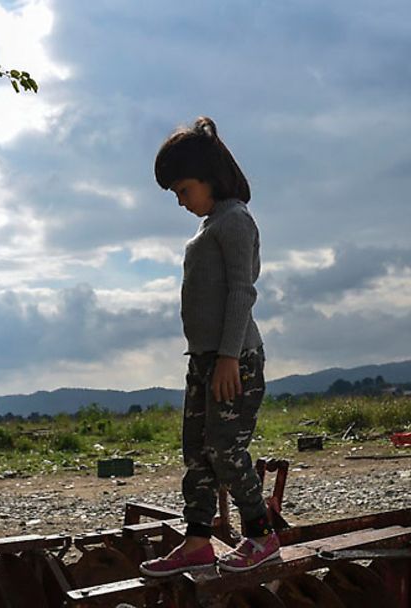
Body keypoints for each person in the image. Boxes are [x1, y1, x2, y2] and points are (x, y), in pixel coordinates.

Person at [138, 117, 279, 577]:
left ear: (209, 178)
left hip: (233, 361)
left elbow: (242, 291)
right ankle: (197, 540)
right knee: (196, 452)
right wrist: (209, 359)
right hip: (204, 360)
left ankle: (260, 534)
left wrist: (227, 358)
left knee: (225, 449)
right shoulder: (210, 225)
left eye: (183, 190)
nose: (181, 201)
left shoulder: (235, 220)